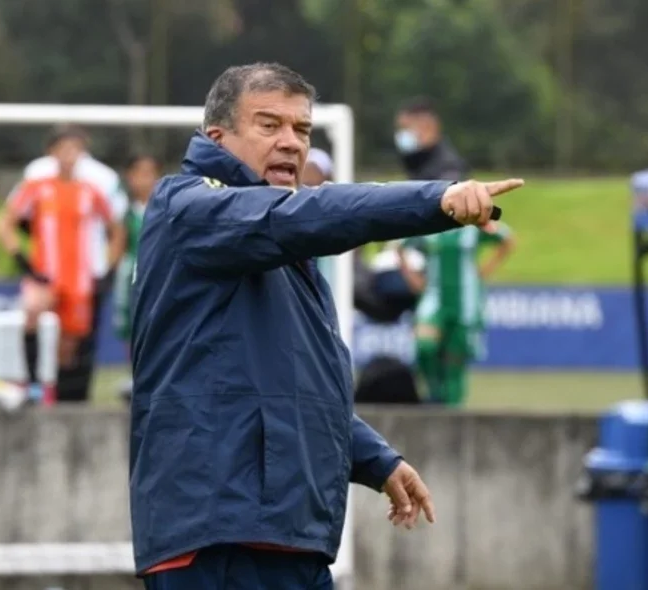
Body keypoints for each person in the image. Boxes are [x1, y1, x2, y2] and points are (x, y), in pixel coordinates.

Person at [130, 62, 524, 589]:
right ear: (217, 138)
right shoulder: (187, 205)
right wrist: (432, 200)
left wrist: (374, 458)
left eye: (303, 130)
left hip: (287, 536)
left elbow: (289, 379)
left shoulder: (280, 245)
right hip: (218, 540)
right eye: (270, 125)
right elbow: (301, 215)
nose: (292, 143)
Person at [0, 128, 123, 403]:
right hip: (45, 275)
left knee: (68, 348)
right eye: (64, 149)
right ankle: (31, 384)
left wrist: (109, 270)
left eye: (75, 149)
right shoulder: (37, 187)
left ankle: (61, 400)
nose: (70, 155)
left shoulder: (91, 191)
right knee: (31, 314)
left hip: (79, 279)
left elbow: (117, 230)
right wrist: (23, 262)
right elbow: (4, 224)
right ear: (52, 152)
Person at [402, 223, 515, 406]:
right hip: (435, 297)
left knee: (455, 360)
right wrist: (412, 277)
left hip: (465, 302)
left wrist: (485, 270)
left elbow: (507, 239)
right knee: (424, 347)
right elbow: (401, 246)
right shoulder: (431, 224)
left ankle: (453, 409)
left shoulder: (474, 226)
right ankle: (434, 393)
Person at [111, 154, 159, 348]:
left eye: (149, 173)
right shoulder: (125, 211)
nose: (144, 179)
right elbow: (118, 245)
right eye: (138, 173)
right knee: (131, 329)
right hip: (131, 276)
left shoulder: (166, 208)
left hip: (158, 275)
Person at [394, 97, 470, 181]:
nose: (403, 135)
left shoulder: (448, 168)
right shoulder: (418, 162)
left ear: (428, 126)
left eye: (407, 128)